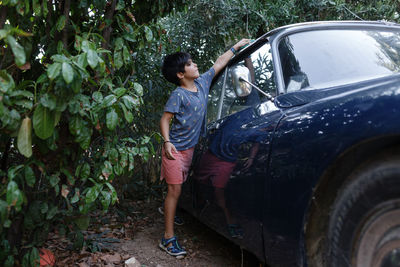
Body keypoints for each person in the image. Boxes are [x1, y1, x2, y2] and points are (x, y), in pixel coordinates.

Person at [158, 39, 251, 258]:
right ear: (181, 74)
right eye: (190, 64)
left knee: (179, 187)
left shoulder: (202, 83)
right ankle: (168, 238)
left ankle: (171, 211)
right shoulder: (178, 95)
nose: (195, 65)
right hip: (174, 151)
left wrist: (236, 47)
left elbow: (219, 63)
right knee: (175, 190)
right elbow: (165, 119)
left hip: (189, 150)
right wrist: (166, 142)